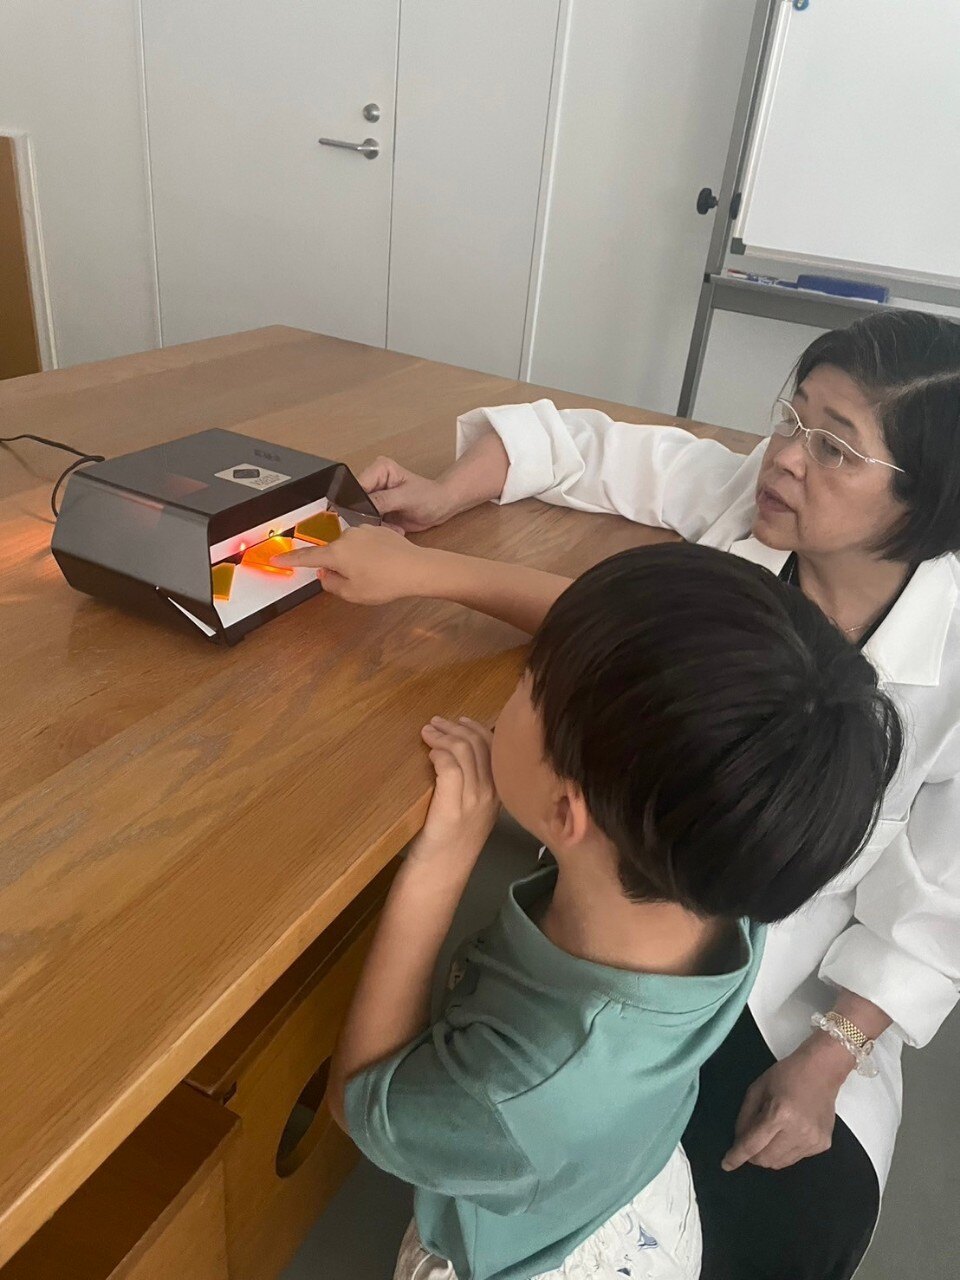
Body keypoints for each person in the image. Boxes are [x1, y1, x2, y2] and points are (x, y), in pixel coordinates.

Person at [282, 309, 960, 1279]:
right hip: (668, 952)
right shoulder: (718, 941)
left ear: (928, 502)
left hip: (801, 983)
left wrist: (833, 1051)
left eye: (835, 447)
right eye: (793, 416)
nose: (784, 456)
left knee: (791, 1222)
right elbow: (597, 461)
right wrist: (445, 501)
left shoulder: (543, 1075)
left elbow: (940, 900)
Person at [325, 544, 902, 1280]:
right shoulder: (723, 868)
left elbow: (360, 1099)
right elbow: (632, 654)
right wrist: (424, 571)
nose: (520, 682)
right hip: (629, 1188)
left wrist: (441, 862)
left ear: (567, 811)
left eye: (530, 683)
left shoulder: (521, 1094)